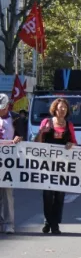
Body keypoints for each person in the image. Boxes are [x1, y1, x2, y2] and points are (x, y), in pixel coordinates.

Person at [35, 98, 77, 234]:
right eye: (60, 108)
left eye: (65, 108)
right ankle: (48, 221)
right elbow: (37, 143)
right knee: (47, 195)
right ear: (55, 109)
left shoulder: (69, 125)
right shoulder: (46, 122)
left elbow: (74, 142)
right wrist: (42, 132)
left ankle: (55, 224)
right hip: (47, 165)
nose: (63, 110)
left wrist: (72, 145)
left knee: (59, 196)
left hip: (62, 166)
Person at [0, 93, 26, 234]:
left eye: (2, 108)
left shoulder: (16, 118)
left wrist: (18, 138)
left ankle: (9, 223)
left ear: (7, 106)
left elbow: (22, 135)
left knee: (7, 193)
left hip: (8, 160)